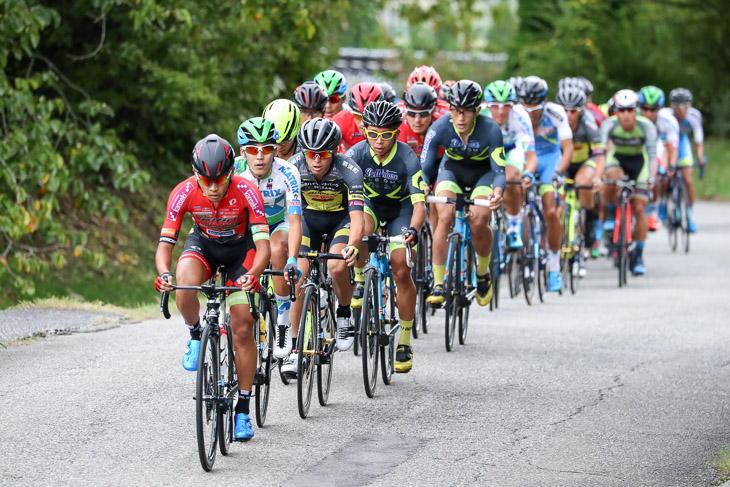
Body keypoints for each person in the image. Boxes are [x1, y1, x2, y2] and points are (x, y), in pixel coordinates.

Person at [155, 134, 270, 441]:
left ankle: (243, 409)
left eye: (220, 179)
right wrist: (165, 273)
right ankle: (195, 334)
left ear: (231, 173)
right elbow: (165, 245)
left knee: (243, 327)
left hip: (240, 252)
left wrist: (254, 273)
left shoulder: (247, 190)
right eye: (207, 181)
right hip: (203, 245)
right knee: (184, 285)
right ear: (196, 176)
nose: (215, 187)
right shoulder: (183, 193)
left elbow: (263, 246)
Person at [346, 100, 426, 373]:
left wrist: (413, 231)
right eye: (373, 134)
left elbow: (419, 205)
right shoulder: (355, 154)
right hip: (369, 205)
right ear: (364, 130)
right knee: (362, 230)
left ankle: (404, 339)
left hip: (400, 210)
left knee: (401, 269)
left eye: (386, 135)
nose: (379, 142)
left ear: (397, 133)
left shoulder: (407, 158)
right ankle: (359, 281)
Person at [282, 118, 364, 376]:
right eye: (310, 154)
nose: (316, 160)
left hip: (341, 220)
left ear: (335, 151)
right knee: (298, 276)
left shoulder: (349, 170)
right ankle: (295, 348)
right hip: (307, 221)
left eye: (323, 154)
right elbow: (288, 214)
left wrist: (352, 247)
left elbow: (358, 218)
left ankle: (343, 312)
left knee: (337, 265)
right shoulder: (293, 167)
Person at [421, 80, 506, 306]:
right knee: (445, 216)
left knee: (478, 220)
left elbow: (499, 170)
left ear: (477, 111)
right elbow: (426, 166)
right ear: (450, 109)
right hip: (452, 171)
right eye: (456, 111)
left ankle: (483, 272)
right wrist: (424, 183)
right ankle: (439, 283)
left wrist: (498, 191)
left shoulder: (491, 130)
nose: (460, 118)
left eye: (466, 112)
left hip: (483, 175)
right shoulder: (439, 127)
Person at [234, 117, 303, 360]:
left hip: (278, 223)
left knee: (277, 250)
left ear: (275, 150)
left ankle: (283, 317)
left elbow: (295, 221)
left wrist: (293, 258)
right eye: (253, 150)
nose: (260, 156)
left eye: (267, 150)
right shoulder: (234, 169)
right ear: (243, 152)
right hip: (247, 226)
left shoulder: (288, 172)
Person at [518, 76, 573, 292]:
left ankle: (554, 266)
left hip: (550, 160)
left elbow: (567, 148)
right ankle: (521, 250)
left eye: (535, 109)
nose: (530, 114)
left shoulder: (556, 113)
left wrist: (559, 172)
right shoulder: (516, 113)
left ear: (545, 102)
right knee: (518, 203)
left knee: (551, 211)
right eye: (526, 109)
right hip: (527, 157)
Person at [600, 89, 657, 275]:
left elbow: (652, 155)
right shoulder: (608, 125)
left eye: (630, 110)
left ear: (636, 111)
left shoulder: (646, 126)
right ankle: (610, 214)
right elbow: (601, 153)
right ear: (615, 111)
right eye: (621, 110)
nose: (625, 115)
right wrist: (598, 176)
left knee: (640, 209)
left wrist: (652, 177)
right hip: (617, 161)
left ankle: (639, 255)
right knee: (612, 177)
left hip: (639, 165)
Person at [555, 79, 605, 272]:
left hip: (585, 162)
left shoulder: (589, 124)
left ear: (581, 111)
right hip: (563, 163)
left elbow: (600, 155)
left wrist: (598, 178)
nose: (568, 115)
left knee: (583, 182)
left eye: (573, 111)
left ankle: (589, 221)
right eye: (565, 110)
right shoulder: (553, 122)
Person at [483, 80, 537, 250]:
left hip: (512, 150)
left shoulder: (520, 117)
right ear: (488, 105)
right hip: (488, 150)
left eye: (506, 105)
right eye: (495, 106)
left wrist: (528, 173)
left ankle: (514, 225)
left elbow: (531, 155)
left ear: (512, 105)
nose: (500, 111)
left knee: (511, 177)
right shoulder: (481, 115)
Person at [638, 86, 679, 230]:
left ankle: (653, 211)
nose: (648, 113)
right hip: (639, 146)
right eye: (645, 108)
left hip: (659, 146)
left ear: (660, 108)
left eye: (653, 109)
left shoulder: (667, 120)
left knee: (659, 173)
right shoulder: (633, 117)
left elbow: (671, 146)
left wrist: (671, 165)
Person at [667, 88, 705, 232]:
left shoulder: (694, 116)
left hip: (683, 144)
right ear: (672, 106)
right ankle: (664, 204)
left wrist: (700, 158)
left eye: (685, 106)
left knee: (688, 179)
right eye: (678, 106)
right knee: (665, 173)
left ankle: (689, 214)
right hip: (668, 144)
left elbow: (698, 140)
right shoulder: (666, 115)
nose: (681, 110)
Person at [332, 82, 383, 151]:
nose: (363, 123)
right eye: (357, 116)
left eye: (369, 117)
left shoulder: (390, 122)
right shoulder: (340, 120)